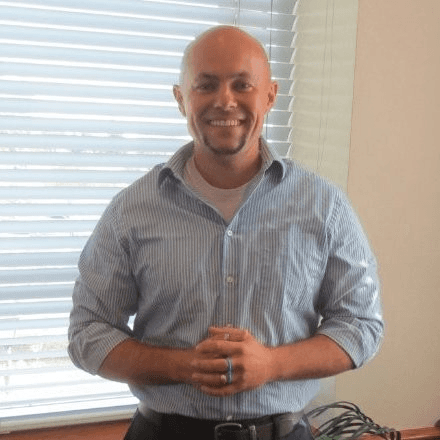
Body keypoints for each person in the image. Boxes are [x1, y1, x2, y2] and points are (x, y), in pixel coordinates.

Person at [68, 25, 383, 440]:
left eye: (242, 84)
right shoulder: (131, 210)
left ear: (269, 95)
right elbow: (87, 331)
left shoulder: (325, 207)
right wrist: (183, 366)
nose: (225, 100)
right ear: (181, 99)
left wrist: (272, 365)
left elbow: (361, 325)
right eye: (206, 85)